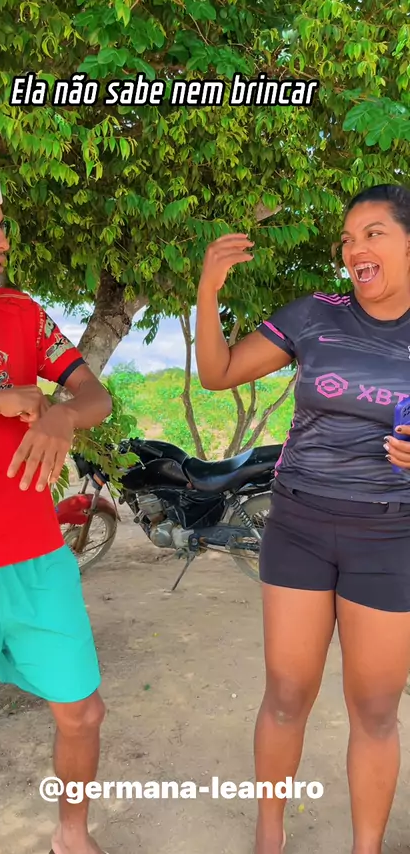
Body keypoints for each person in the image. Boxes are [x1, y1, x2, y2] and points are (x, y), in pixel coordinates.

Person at [195, 184, 410, 854]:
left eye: (373, 233)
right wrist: (208, 291)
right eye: (347, 239)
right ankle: (270, 834)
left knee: (375, 710)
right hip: (300, 526)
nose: (354, 249)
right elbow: (218, 373)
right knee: (287, 694)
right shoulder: (315, 315)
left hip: (391, 536)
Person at [0, 147, 113, 854]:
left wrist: (64, 414)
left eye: (4, 225)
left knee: (83, 712)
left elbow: (93, 392)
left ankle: (72, 837)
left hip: (37, 557)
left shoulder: (21, 313)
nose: (2, 239)